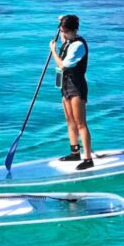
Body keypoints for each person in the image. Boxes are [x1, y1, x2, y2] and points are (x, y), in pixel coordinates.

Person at [50, 14, 93, 170]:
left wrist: (53, 50)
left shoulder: (78, 46)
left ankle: (88, 159)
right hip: (65, 85)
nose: (63, 34)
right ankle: (75, 152)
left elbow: (62, 65)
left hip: (76, 86)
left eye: (66, 31)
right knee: (69, 120)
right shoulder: (68, 40)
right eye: (62, 31)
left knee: (80, 123)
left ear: (74, 30)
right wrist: (60, 20)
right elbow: (63, 32)